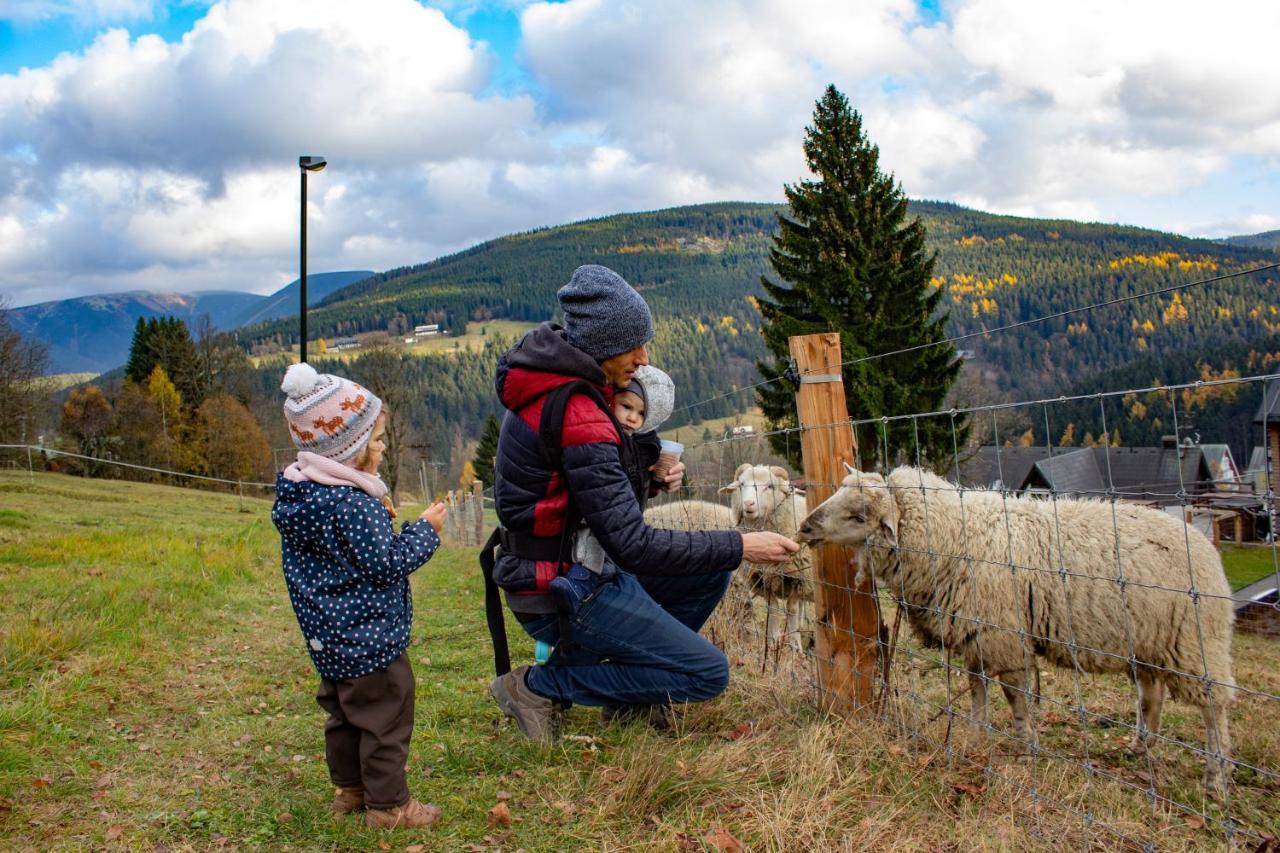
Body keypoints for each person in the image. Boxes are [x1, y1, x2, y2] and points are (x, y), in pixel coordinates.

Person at [487, 264, 798, 741]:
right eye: (633, 344)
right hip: (564, 587)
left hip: (568, 568)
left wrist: (646, 478)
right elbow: (633, 544)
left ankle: (631, 693)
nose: (643, 357)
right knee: (707, 674)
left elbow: (582, 495)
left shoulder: (566, 392)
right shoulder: (579, 413)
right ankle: (540, 687)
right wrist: (741, 545)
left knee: (706, 570)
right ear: (602, 343)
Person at [272, 363, 447, 830]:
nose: (383, 447)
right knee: (385, 717)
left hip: (328, 636)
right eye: (375, 441)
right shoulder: (352, 505)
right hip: (368, 635)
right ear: (347, 452)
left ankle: (351, 790)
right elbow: (386, 563)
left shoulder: (302, 496)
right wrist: (424, 531)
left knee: (344, 714)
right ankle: (389, 807)